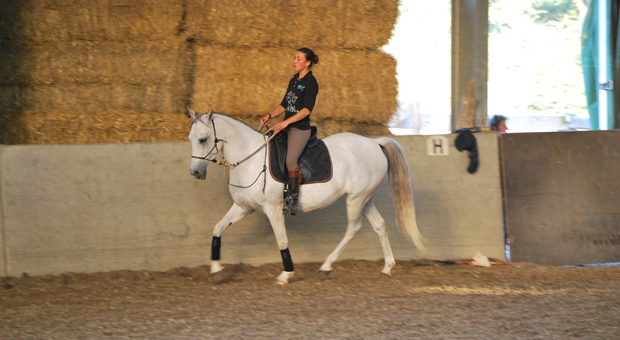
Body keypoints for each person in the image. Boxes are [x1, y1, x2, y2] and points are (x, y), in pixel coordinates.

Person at [260, 48, 320, 216]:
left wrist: (285, 122)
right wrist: (269, 115)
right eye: (294, 58)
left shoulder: (311, 82)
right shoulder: (294, 80)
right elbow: (284, 105)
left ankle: (292, 200)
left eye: (298, 58)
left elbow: (307, 110)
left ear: (307, 62)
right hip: (286, 126)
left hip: (299, 129)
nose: (294, 61)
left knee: (291, 160)